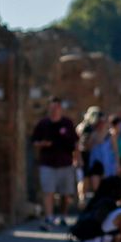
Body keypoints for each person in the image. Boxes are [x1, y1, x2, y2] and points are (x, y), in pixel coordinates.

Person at [30, 97, 80, 230]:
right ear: (49, 109)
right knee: (48, 191)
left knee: (65, 193)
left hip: (65, 163)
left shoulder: (67, 123)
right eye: (52, 108)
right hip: (47, 163)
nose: (54, 110)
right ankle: (49, 217)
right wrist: (42, 144)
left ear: (60, 109)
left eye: (56, 108)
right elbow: (34, 141)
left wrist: (78, 159)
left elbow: (75, 143)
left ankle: (63, 216)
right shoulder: (43, 124)